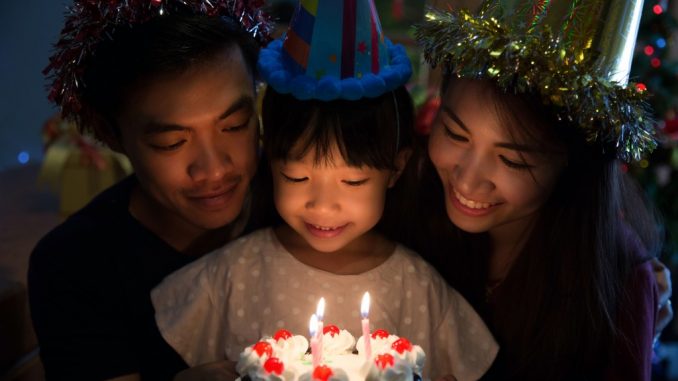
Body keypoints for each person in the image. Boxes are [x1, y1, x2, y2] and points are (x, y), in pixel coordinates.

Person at [150, 1, 498, 380]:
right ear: (271, 163)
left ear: (395, 169)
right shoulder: (234, 274)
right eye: (297, 178)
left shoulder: (417, 288)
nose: (323, 206)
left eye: (352, 181)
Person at [410, 2, 665, 380]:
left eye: (513, 161)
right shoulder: (407, 205)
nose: (467, 181)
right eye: (454, 133)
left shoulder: (617, 283)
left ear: (570, 162)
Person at [28, 1, 270, 379]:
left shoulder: (310, 205)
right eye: (172, 142)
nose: (214, 169)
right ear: (113, 136)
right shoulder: (76, 264)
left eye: (235, 124)